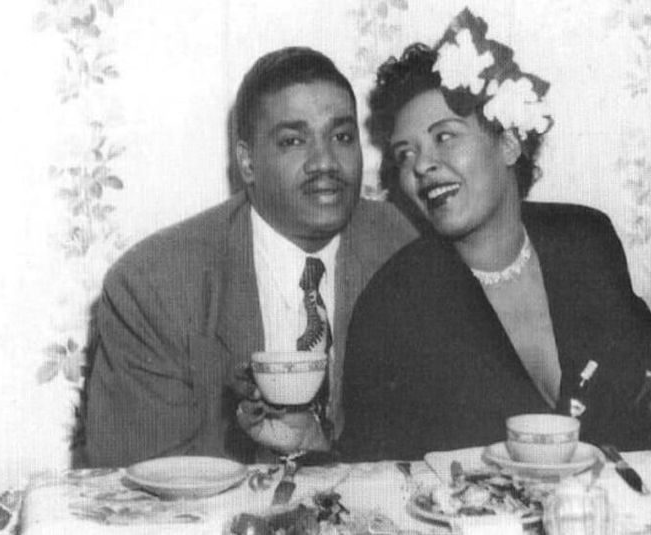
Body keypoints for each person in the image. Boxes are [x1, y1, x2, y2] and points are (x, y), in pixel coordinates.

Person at [338, 9, 651, 461]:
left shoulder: (584, 238)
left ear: (508, 143)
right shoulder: (396, 300)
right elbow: (372, 467)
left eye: (444, 137)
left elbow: (636, 336)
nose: (420, 167)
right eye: (405, 154)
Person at [83, 47, 417, 467]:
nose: (326, 162)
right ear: (247, 163)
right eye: (293, 140)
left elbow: (423, 448)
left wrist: (321, 459)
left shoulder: (401, 248)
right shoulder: (153, 284)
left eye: (342, 137)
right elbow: (139, 487)